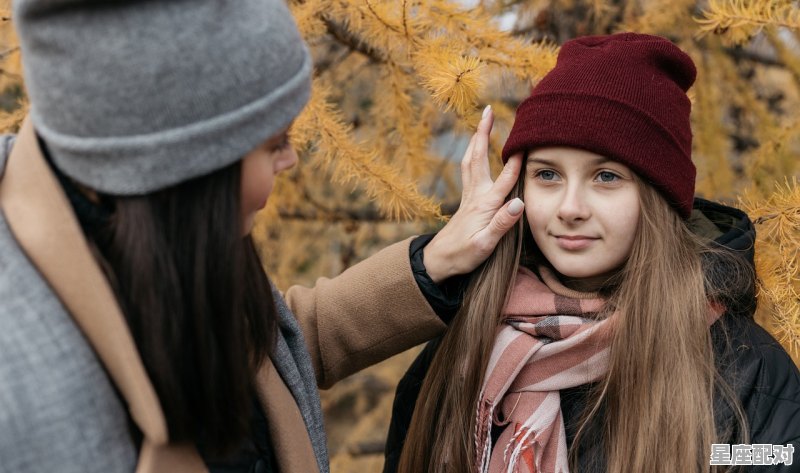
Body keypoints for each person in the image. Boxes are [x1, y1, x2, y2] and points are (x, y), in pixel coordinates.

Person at [0, 1, 526, 472]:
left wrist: (433, 263)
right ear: (190, 168)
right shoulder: (22, 406)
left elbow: (274, 354)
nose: (291, 160)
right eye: (274, 142)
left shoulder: (139, 230)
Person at [385, 33, 800, 473]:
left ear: (657, 198)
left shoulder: (747, 372)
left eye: (605, 177)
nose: (570, 209)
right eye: (547, 174)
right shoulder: (463, 343)